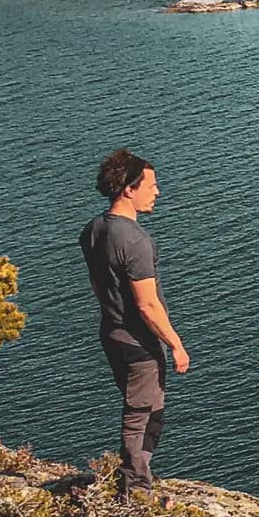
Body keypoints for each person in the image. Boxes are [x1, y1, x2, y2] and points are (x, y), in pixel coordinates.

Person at [79, 149, 189, 497]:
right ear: (129, 189)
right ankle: (136, 491)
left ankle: (137, 476)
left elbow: (98, 285)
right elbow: (147, 304)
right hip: (138, 343)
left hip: (110, 333)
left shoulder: (94, 229)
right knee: (141, 414)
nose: (157, 192)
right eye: (151, 186)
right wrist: (175, 344)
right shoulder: (137, 241)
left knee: (148, 408)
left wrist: (113, 314)